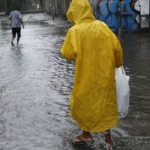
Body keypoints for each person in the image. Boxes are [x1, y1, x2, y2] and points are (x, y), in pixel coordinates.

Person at [61, 0, 123, 148]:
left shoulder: (75, 31)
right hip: (105, 76)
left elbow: (66, 53)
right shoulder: (102, 26)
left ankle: (86, 134)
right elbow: (117, 48)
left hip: (86, 77)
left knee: (84, 104)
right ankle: (108, 138)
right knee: (105, 103)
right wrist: (118, 64)